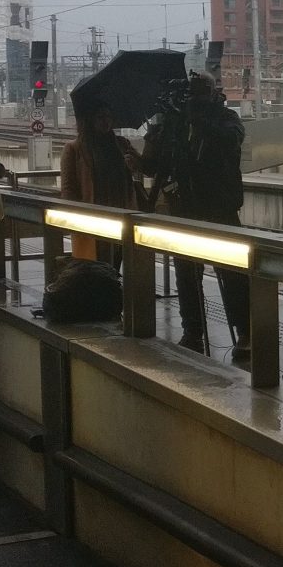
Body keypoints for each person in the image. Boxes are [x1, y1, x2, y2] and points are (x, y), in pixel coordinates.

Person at [148, 73, 251, 358]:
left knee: (232, 275)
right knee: (186, 276)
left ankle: (246, 332)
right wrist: (153, 138)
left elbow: (232, 140)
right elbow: (156, 165)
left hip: (220, 209)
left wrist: (199, 119)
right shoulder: (176, 122)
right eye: (190, 96)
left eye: (198, 94)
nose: (193, 100)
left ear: (211, 94)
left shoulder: (225, 118)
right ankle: (192, 331)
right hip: (185, 210)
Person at [60, 96, 142, 265]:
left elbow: (142, 168)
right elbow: (68, 188)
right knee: (92, 267)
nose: (106, 121)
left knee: (116, 264)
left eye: (109, 117)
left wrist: (134, 164)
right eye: (100, 117)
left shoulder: (121, 144)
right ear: (90, 119)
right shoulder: (74, 149)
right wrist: (74, 218)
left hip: (121, 214)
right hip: (91, 219)